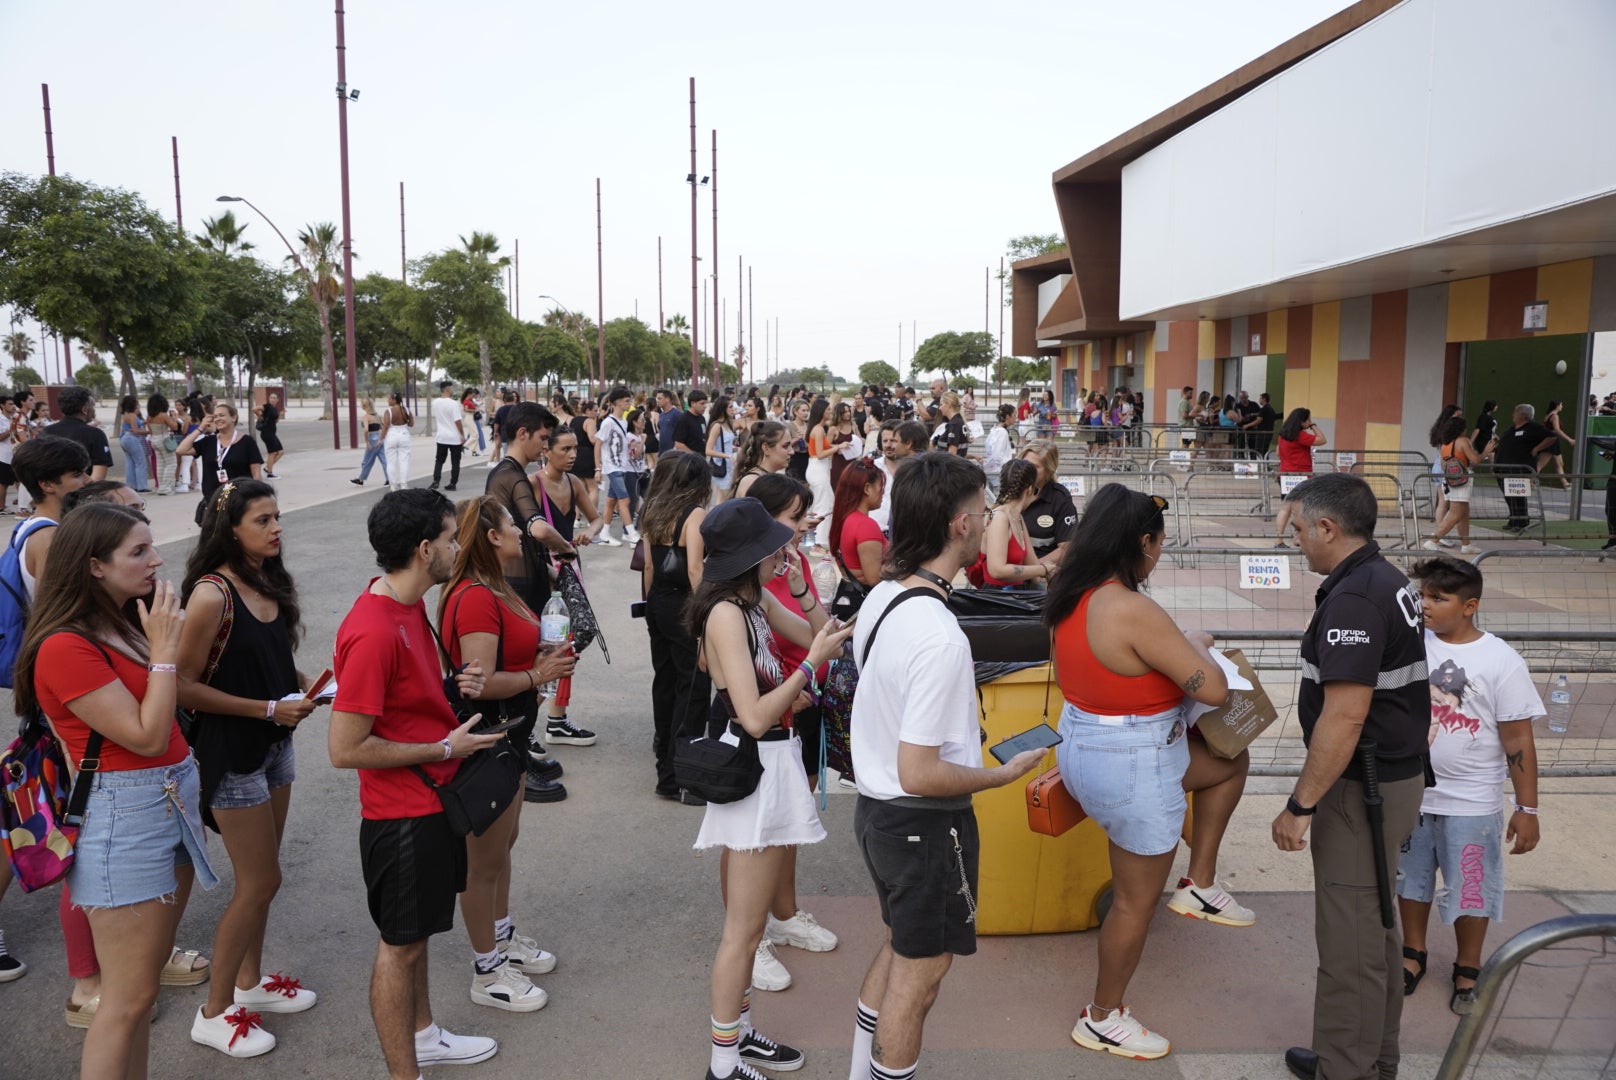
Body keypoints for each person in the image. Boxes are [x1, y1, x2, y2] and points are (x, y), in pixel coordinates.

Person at [846, 452, 1045, 1080]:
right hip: (922, 825)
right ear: (961, 525)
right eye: (984, 511)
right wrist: (1002, 775)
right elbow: (922, 772)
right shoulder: (939, 635)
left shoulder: (883, 597)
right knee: (920, 975)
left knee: (899, 949)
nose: (988, 521)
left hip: (879, 815)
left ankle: (862, 1069)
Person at [16, 502, 220, 1074]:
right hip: (124, 814)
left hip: (166, 800)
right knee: (124, 1002)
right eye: (138, 551)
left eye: (152, 546)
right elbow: (147, 735)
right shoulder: (64, 645)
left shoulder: (122, 618)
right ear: (94, 566)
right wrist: (162, 651)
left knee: (140, 996)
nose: (157, 560)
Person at [1044, 484, 1240, 1060]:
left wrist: (1183, 643)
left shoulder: (1071, 591)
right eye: (1157, 545)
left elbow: (1129, 661)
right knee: (1134, 903)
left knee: (1229, 762)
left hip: (1088, 748)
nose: (1159, 555)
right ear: (1141, 543)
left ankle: (1199, 883)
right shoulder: (1132, 606)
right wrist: (1196, 649)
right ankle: (1103, 1016)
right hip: (1135, 765)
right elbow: (1217, 688)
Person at [328, 488, 505, 1078]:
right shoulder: (375, 628)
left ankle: (424, 1035)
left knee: (418, 936)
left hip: (429, 804)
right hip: (402, 817)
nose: (460, 546)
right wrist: (444, 746)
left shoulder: (408, 606)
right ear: (425, 548)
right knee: (399, 948)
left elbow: (406, 703)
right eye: (453, 538)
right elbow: (344, 747)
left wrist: (456, 688)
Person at [1272, 473, 1431, 1080]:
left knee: (1349, 939)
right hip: (1388, 778)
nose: (1296, 541)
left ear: (1327, 528)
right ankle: (1373, 1055)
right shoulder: (1383, 579)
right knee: (1375, 926)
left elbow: (1345, 714)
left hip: (1361, 786)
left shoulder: (1356, 598)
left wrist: (1300, 804)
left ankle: (1345, 1066)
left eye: (1299, 530)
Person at [689, 498, 852, 1080]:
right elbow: (755, 715)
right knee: (742, 933)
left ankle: (739, 1035)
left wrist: (800, 587)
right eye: (772, 545)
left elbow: (817, 629)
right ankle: (723, 1062)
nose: (782, 549)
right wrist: (805, 673)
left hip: (771, 764)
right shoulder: (726, 614)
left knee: (752, 927)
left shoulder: (750, 600)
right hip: (753, 768)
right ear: (746, 555)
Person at [178, 479, 320, 1055]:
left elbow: (264, 656)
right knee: (260, 881)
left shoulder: (267, 579)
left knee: (262, 877)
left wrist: (301, 683)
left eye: (277, 516)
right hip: (231, 754)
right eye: (263, 520)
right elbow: (181, 687)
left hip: (274, 745)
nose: (276, 528)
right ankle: (213, 1012)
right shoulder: (211, 594)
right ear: (229, 529)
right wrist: (267, 706)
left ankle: (250, 983)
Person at [439, 497, 577, 1013]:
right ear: (492, 537)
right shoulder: (475, 595)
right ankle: (486, 969)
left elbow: (507, 659)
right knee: (484, 860)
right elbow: (478, 683)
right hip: (488, 738)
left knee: (503, 846)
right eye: (513, 527)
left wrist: (540, 662)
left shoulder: (496, 585)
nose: (522, 533)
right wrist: (537, 676)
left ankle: (501, 937)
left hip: (511, 733)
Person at [1399, 557, 1542, 1016]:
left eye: (1438, 598)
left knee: (1471, 888)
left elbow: (1518, 737)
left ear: (1470, 606)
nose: (1426, 605)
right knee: (1411, 879)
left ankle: (1468, 966)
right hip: (1412, 794)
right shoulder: (1410, 645)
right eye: (1423, 595)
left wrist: (1528, 809)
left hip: (1473, 802)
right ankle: (1413, 953)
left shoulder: (1500, 659)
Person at [484, 401, 573, 797]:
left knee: (527, 675)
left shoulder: (505, 473)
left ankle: (520, 756)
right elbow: (536, 528)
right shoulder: (514, 476)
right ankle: (517, 765)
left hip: (520, 583)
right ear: (522, 434)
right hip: (519, 589)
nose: (545, 444)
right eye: (541, 437)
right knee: (527, 675)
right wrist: (566, 548)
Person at [639, 451, 712, 803]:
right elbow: (696, 571)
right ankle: (683, 775)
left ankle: (666, 773)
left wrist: (651, 606)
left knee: (665, 685)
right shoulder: (695, 514)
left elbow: (649, 568)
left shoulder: (654, 510)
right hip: (684, 605)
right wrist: (704, 619)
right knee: (694, 689)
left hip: (658, 604)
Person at [530, 427, 600, 750]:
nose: (573, 455)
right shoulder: (532, 484)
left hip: (569, 567)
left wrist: (588, 532)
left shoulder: (573, 484)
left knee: (573, 637)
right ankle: (527, 722)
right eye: (566, 449)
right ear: (548, 451)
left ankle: (556, 721)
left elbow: (597, 519)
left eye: (575, 449)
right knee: (548, 644)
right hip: (540, 571)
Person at [177, 402, 264, 526]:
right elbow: (181, 450)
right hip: (213, 499)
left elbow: (256, 472)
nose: (218, 419)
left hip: (240, 499)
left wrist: (258, 497)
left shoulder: (247, 442)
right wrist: (200, 428)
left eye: (222, 415)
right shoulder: (209, 441)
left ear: (233, 417)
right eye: (215, 416)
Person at [980, 460, 1053, 589]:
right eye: (1036, 490)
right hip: (997, 599)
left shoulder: (1017, 517)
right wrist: (1042, 570)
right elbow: (996, 570)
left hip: (1016, 597)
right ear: (1029, 490)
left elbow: (1033, 566)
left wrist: (1049, 572)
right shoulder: (999, 518)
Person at [1423, 413, 1481, 554]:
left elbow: (1443, 465)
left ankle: (1466, 544)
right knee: (1455, 513)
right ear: (1460, 429)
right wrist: (1486, 451)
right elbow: (1476, 460)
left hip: (1449, 480)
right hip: (1462, 480)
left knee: (1463, 512)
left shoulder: (1445, 445)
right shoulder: (1463, 441)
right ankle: (1433, 540)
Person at [1492, 404, 1556, 533]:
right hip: (1503, 468)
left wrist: (1537, 449)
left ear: (1523, 415)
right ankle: (1513, 518)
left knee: (1517, 496)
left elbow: (1552, 437)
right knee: (1508, 496)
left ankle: (1522, 521)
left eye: (1515, 412)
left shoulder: (1534, 428)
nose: (1513, 415)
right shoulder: (1512, 429)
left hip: (1519, 468)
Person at [829, 457, 888, 590]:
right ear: (867, 488)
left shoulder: (845, 518)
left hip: (847, 594)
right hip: (864, 600)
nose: (883, 492)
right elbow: (874, 578)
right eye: (881, 486)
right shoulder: (866, 525)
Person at [1017, 439, 1078, 565]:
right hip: (1009, 572)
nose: (1026, 470)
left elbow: (1066, 549)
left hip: (1041, 574)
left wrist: (1033, 569)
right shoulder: (1011, 491)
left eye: (1034, 467)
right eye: (1024, 463)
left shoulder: (1060, 499)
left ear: (1049, 470)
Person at [1273, 408, 1326, 546]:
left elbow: (1278, 453)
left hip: (1285, 474)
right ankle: (1298, 538)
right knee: (1301, 510)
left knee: (1286, 508)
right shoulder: (1300, 435)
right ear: (1302, 421)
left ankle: (1279, 539)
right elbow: (1322, 440)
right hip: (1301, 476)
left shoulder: (1283, 435)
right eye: (1308, 419)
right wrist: (1313, 426)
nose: (1309, 422)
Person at [597, 387, 640, 545]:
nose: (629, 403)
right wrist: (597, 468)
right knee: (625, 500)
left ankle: (605, 533)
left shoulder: (623, 421)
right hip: (612, 467)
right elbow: (598, 444)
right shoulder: (608, 422)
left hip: (622, 466)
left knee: (611, 501)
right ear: (617, 402)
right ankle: (631, 533)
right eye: (627, 401)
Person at [50, 386, 113, 482]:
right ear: (84, 410)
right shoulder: (95, 434)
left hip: (51, 493)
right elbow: (98, 477)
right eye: (93, 406)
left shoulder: (45, 432)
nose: (94, 410)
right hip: (83, 493)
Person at [732, 420, 790, 502]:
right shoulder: (751, 481)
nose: (791, 451)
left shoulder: (765, 477)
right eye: (785, 446)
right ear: (766, 448)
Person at [804, 398, 836, 550]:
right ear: (821, 411)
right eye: (828, 409)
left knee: (824, 503)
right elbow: (820, 453)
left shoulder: (818, 429)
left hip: (818, 468)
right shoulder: (818, 429)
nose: (830, 412)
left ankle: (819, 539)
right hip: (817, 468)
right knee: (825, 504)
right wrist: (838, 447)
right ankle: (820, 541)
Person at [430, 380, 466, 492]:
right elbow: (457, 421)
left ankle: (436, 481)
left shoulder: (435, 402)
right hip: (454, 437)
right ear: (447, 389)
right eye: (451, 388)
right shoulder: (453, 404)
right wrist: (462, 434)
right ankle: (452, 483)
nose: (452, 390)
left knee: (439, 460)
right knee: (455, 461)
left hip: (441, 436)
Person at [706, 394, 739, 502]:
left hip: (729, 465)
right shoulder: (717, 426)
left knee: (723, 497)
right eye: (730, 407)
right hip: (721, 466)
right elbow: (708, 450)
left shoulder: (728, 424)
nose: (733, 409)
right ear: (723, 408)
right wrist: (727, 455)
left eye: (733, 406)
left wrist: (736, 449)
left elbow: (726, 446)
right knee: (724, 497)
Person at [350, 397, 390, 487]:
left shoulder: (366, 417)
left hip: (372, 439)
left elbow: (366, 430)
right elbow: (383, 427)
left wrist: (367, 441)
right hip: (380, 438)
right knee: (384, 460)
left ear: (364, 406)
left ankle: (361, 479)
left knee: (367, 461)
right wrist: (382, 439)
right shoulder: (377, 416)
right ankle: (389, 478)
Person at [380, 391, 414, 491]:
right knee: (404, 461)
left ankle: (393, 485)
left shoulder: (388, 411)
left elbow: (386, 426)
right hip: (404, 435)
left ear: (394, 400)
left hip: (391, 435)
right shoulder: (406, 410)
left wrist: (380, 438)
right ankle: (404, 484)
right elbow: (411, 424)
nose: (388, 401)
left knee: (391, 462)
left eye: (389, 399)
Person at [117, 395, 151, 494]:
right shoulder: (132, 415)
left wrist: (144, 422)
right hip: (132, 438)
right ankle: (142, 487)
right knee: (140, 462)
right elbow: (136, 431)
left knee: (130, 463)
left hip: (124, 438)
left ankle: (131, 486)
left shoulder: (126, 414)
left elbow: (133, 426)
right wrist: (148, 433)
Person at [147, 394, 179, 497]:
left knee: (160, 464)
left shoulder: (149, 417)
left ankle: (160, 486)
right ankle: (165, 487)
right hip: (164, 439)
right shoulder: (163, 415)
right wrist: (174, 417)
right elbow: (174, 427)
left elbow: (150, 430)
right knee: (171, 463)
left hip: (154, 440)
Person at [1538, 398, 1575, 487]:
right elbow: (1557, 430)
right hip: (1551, 441)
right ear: (1557, 406)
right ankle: (1529, 482)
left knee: (1559, 463)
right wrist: (1569, 439)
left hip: (1552, 441)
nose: (1562, 406)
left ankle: (1565, 483)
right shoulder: (1554, 416)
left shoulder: (1548, 415)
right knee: (1540, 464)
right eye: (1561, 405)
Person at [982, 404, 1016, 499]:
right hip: (999, 472)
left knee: (995, 498)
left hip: (992, 470)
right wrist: (1010, 462)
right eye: (1014, 415)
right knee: (999, 499)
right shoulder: (1002, 433)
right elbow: (997, 456)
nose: (1015, 418)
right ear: (1008, 417)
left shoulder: (995, 430)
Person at [570, 397, 599, 506]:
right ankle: (592, 516)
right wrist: (601, 438)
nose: (597, 413)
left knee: (580, 488)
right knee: (593, 489)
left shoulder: (573, 420)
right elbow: (592, 439)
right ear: (587, 411)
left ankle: (577, 518)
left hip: (576, 453)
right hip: (587, 456)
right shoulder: (589, 421)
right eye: (595, 411)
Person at [253, 392, 284, 478]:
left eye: (274, 398)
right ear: (269, 399)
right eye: (271, 398)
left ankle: (268, 468)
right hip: (267, 433)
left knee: (280, 452)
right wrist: (260, 416)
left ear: (277, 400)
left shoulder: (274, 409)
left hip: (272, 433)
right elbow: (254, 409)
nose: (272, 399)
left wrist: (279, 415)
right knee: (272, 452)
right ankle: (270, 473)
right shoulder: (267, 406)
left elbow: (275, 421)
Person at [932, 392, 969, 458]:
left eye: (941, 404)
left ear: (949, 404)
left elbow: (952, 453)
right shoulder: (959, 421)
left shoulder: (954, 424)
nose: (940, 408)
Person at [674, 389, 709, 453]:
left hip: (702, 458)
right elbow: (678, 444)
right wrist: (694, 456)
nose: (705, 406)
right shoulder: (683, 419)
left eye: (705, 403)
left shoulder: (702, 418)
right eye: (702, 403)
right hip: (689, 460)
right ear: (693, 403)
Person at [784, 399, 810, 482]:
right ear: (795, 412)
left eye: (807, 410)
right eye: (803, 410)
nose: (806, 413)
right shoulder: (789, 426)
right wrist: (796, 439)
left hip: (808, 457)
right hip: (794, 458)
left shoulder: (809, 426)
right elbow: (784, 444)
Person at [461, 387, 486, 455]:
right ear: (468, 394)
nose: (473, 396)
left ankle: (473, 451)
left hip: (471, 418)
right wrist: (475, 410)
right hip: (469, 418)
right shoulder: (466, 401)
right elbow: (465, 409)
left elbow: (475, 406)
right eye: (472, 395)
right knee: (475, 434)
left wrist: (479, 409)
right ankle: (463, 446)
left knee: (475, 435)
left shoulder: (470, 400)